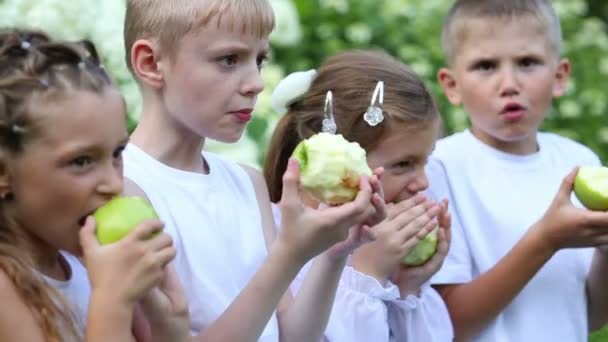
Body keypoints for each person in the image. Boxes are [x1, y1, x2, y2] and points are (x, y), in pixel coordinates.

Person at [121, 1, 385, 341]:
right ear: (151, 63)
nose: (256, 83)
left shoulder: (247, 183)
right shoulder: (127, 188)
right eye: (229, 59)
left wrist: (335, 251)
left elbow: (292, 334)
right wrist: (289, 256)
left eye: (259, 60)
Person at [428, 0, 608, 341]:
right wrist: (545, 239)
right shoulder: (439, 168)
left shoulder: (579, 162)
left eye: (527, 62)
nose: (509, 83)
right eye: (485, 66)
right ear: (452, 85)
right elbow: (449, 325)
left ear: (560, 76)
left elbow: (591, 316)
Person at [0, 29, 187, 342]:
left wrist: (170, 324)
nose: (114, 184)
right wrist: (112, 302)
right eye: (82, 161)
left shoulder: (89, 266)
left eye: (117, 154)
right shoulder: (8, 289)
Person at [264, 49, 454, 341]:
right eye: (404, 164)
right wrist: (368, 273)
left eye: (424, 161)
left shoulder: (380, 239)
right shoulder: (272, 240)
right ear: (335, 158)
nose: (422, 182)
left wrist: (409, 287)